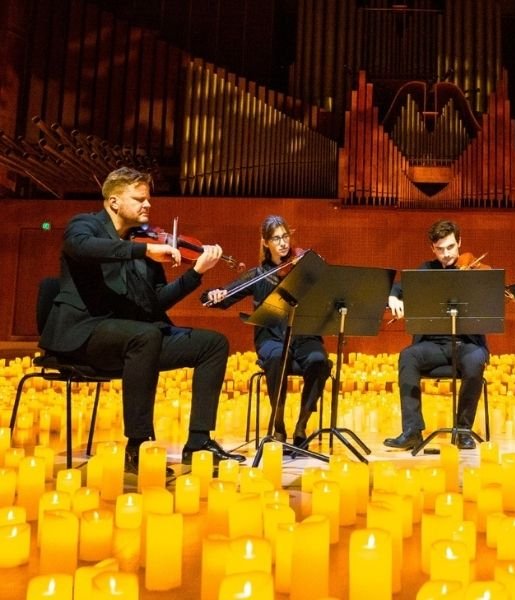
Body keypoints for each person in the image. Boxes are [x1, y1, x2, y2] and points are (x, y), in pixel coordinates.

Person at [39, 167, 245, 472]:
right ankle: (139, 446)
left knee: (213, 344)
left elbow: (156, 302)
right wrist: (143, 251)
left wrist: (195, 273)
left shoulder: (143, 242)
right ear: (114, 202)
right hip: (84, 332)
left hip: (132, 339)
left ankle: (199, 442)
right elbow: (79, 247)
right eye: (139, 199)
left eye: (148, 199)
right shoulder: (86, 225)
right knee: (144, 336)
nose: (148, 205)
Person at [202, 215, 331, 446]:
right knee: (276, 357)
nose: (283, 243)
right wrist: (214, 294)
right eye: (276, 238)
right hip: (272, 338)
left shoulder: (303, 269)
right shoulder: (258, 275)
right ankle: (278, 424)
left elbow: (330, 292)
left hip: (303, 337)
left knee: (319, 360)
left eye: (285, 237)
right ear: (265, 243)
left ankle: (302, 424)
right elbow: (226, 296)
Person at [383, 219, 490, 451]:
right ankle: (412, 431)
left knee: (475, 361)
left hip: (466, 344)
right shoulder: (427, 270)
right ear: (433, 249)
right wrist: (393, 297)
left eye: (451, 247)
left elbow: (493, 291)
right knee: (408, 356)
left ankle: (462, 430)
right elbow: (400, 286)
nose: (446, 254)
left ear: (459, 242)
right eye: (440, 249)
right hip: (433, 345)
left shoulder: (474, 270)